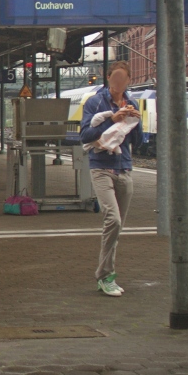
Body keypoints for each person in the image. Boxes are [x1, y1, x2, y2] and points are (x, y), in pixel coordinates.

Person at [79, 61, 142, 297]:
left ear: (128, 81)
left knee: (116, 227)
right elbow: (85, 135)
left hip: (124, 167)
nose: (118, 82)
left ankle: (106, 275)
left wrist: (136, 121)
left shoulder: (132, 102)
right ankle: (105, 275)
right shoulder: (95, 102)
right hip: (101, 167)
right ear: (108, 78)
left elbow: (139, 141)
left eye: (122, 78)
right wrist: (112, 120)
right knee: (113, 220)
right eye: (115, 78)